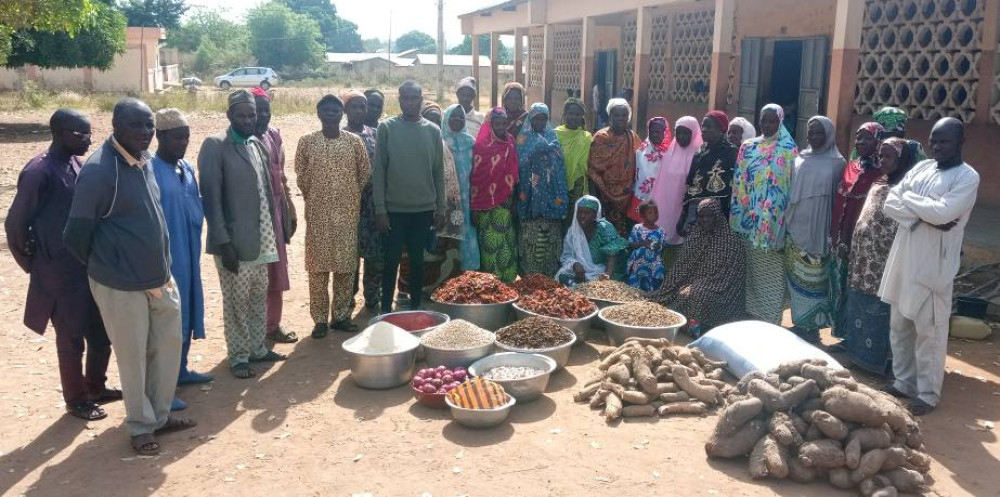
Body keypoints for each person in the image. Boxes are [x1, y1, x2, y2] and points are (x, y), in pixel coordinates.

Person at [64, 98, 194, 455]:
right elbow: (75, 237)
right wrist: (111, 270)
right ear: (116, 124)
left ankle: (160, 416)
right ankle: (140, 426)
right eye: (136, 125)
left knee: (165, 350)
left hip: (160, 279)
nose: (145, 133)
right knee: (132, 358)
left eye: (149, 126)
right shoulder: (99, 171)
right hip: (121, 286)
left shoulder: (144, 161)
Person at [5, 109, 117, 421]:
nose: (88, 139)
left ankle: (96, 386)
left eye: (89, 132)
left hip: (87, 267)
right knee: (71, 338)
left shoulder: (77, 163)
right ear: (58, 133)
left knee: (101, 332)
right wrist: (34, 264)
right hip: (58, 273)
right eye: (79, 133)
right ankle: (76, 399)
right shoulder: (39, 171)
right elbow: (15, 225)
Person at [879, 117, 980, 415]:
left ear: (960, 143)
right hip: (903, 259)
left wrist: (913, 204)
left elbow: (946, 213)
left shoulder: (967, 177)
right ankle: (904, 382)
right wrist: (925, 213)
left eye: (944, 141)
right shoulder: (922, 168)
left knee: (929, 331)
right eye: (933, 140)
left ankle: (927, 393)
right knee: (899, 325)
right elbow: (889, 203)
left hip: (934, 265)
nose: (937, 146)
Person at [200, 90, 289, 378]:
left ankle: (257, 349)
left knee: (256, 296)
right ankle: (238, 356)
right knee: (236, 301)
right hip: (234, 243)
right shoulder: (216, 146)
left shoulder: (256, 144)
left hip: (261, 239)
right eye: (242, 115)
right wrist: (223, 242)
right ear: (229, 116)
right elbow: (211, 199)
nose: (249, 120)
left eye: (252, 114)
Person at [150, 109, 212, 413]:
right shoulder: (151, 170)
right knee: (166, 322)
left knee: (187, 311)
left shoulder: (185, 168)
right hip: (166, 259)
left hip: (189, 253)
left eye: (186, 137)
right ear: (160, 137)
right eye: (177, 137)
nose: (183, 142)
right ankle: (163, 387)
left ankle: (181, 370)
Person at [843, 138, 920, 375]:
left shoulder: (906, 189)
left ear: (902, 159)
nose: (882, 161)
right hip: (863, 261)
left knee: (880, 310)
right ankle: (858, 356)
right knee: (858, 305)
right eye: (881, 156)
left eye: (889, 157)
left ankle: (879, 361)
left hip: (884, 262)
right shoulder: (878, 183)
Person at [295, 95, 370, 337]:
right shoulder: (307, 142)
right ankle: (319, 320)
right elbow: (301, 174)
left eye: (335, 111)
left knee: (346, 268)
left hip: (348, 216)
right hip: (318, 216)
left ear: (342, 114)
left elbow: (364, 172)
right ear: (318, 113)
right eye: (326, 110)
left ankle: (340, 316)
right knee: (317, 270)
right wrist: (318, 196)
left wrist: (348, 195)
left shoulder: (354, 142)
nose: (330, 114)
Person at [374, 81, 446, 314]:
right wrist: (380, 209)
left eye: (414, 98)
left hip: (423, 210)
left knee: (417, 261)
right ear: (399, 99)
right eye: (404, 98)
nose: (409, 102)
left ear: (421, 99)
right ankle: (385, 309)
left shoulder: (433, 131)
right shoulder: (387, 129)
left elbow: (438, 172)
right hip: (394, 210)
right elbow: (379, 171)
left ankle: (415, 308)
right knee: (391, 261)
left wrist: (440, 209)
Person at [729, 104, 797, 324]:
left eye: (772, 121)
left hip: (774, 225)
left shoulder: (789, 150)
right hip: (750, 221)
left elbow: (792, 188)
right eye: (763, 120)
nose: (767, 125)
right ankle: (752, 313)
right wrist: (740, 216)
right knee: (751, 270)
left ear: (780, 121)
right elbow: (739, 181)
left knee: (773, 272)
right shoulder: (748, 147)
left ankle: (771, 318)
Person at [784, 116, 846, 342]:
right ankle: (800, 323)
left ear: (828, 134)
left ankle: (814, 328)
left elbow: (839, 199)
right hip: (796, 225)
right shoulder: (800, 158)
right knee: (797, 279)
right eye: (810, 132)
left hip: (820, 227)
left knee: (816, 279)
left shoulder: (838, 163)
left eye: (819, 133)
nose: (813, 137)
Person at [396, 101, 464, 298]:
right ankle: (406, 291)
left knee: (438, 250)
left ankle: (434, 291)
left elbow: (450, 180)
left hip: (444, 208)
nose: (434, 123)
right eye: (430, 119)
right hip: (416, 207)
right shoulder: (410, 143)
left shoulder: (442, 144)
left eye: (437, 120)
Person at [649, 198, 746, 333]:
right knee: (671, 296)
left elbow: (729, 277)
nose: (705, 220)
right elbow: (680, 268)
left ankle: (696, 328)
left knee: (696, 294)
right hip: (693, 284)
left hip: (722, 290)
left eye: (709, 216)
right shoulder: (695, 236)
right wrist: (669, 288)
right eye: (701, 216)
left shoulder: (730, 242)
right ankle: (683, 322)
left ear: (717, 216)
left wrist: (697, 286)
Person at [830, 122, 885, 341]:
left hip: (865, 242)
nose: (861, 142)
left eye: (867, 138)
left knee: (859, 288)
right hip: (841, 236)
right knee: (840, 286)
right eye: (858, 138)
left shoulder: (883, 171)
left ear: (878, 141)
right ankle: (843, 335)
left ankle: (858, 339)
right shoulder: (852, 166)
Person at [251, 88, 298, 344]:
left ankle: (272, 325)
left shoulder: (274, 136)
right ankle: (254, 332)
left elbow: (281, 175)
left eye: (266, 110)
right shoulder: (239, 142)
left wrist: (289, 209)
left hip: (276, 213)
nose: (262, 116)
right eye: (257, 111)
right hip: (252, 217)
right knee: (254, 275)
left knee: (276, 273)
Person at [515, 102, 569, 276]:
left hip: (550, 191)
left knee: (549, 242)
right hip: (529, 188)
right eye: (536, 118)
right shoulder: (523, 137)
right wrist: (535, 152)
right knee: (531, 242)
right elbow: (520, 162)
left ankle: (550, 275)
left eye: (543, 118)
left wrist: (548, 151)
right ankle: (529, 276)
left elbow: (559, 163)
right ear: (530, 119)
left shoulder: (552, 136)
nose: (540, 122)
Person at [343, 90, 383, 311]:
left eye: (362, 107)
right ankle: (346, 301)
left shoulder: (376, 134)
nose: (359, 111)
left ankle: (372, 297)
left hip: (373, 205)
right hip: (349, 207)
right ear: (345, 110)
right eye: (354, 106)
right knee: (350, 257)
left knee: (375, 255)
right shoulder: (339, 136)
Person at [471, 107, 520, 283]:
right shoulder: (481, 146)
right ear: (490, 124)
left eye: (504, 124)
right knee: (489, 245)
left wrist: (514, 202)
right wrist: (474, 207)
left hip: (505, 202)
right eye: (497, 124)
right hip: (485, 205)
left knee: (507, 243)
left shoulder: (511, 141)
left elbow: (514, 172)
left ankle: (508, 282)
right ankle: (492, 284)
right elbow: (477, 177)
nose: (501, 127)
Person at [589, 98, 641, 236]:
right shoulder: (601, 137)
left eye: (624, 115)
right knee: (605, 231)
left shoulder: (633, 137)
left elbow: (641, 163)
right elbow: (594, 168)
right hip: (605, 193)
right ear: (610, 117)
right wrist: (601, 192)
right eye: (616, 115)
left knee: (625, 231)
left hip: (627, 194)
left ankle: (621, 256)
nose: (620, 118)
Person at [679, 110, 738, 233]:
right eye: (703, 126)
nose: (704, 130)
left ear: (721, 129)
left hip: (720, 209)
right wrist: (684, 213)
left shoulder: (731, 152)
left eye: (708, 127)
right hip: (696, 209)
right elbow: (690, 181)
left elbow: (735, 183)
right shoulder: (700, 151)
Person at [651, 116, 703, 251]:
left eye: (686, 133)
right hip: (667, 205)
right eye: (678, 132)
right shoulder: (670, 154)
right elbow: (661, 185)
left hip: (687, 206)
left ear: (695, 133)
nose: (681, 136)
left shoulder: (700, 155)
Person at [555, 196, 627, 286]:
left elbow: (612, 255)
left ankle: (583, 286)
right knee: (562, 276)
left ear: (595, 214)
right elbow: (566, 256)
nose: (582, 216)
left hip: (604, 271)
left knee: (604, 285)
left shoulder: (604, 228)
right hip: (582, 273)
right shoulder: (573, 231)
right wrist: (575, 264)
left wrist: (607, 275)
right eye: (580, 212)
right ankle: (581, 285)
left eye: (587, 213)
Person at [442, 103, 480, 270]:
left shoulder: (471, 142)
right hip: (448, 202)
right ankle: (450, 278)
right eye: (453, 116)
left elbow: (477, 174)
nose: (457, 119)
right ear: (446, 119)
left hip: (468, 201)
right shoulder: (440, 142)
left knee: (468, 237)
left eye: (461, 117)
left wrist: (475, 204)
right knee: (449, 237)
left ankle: (469, 277)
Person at [554, 98, 593, 215]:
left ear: (582, 116)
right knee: (559, 213)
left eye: (577, 114)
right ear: (565, 114)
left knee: (575, 215)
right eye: (570, 113)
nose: (573, 117)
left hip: (578, 184)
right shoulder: (555, 134)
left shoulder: (587, 137)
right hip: (558, 181)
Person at [628, 117, 672, 222]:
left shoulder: (671, 154)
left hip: (663, 201)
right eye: (652, 132)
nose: (654, 135)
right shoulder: (640, 152)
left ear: (665, 133)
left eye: (658, 132)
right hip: (641, 200)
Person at [625, 200, 666, 291]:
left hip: (654, 262)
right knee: (636, 286)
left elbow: (663, 246)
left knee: (654, 281)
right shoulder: (637, 228)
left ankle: (651, 297)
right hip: (639, 261)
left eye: (656, 212)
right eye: (650, 213)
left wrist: (658, 246)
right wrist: (643, 243)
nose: (654, 215)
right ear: (642, 215)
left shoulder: (661, 231)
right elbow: (631, 244)